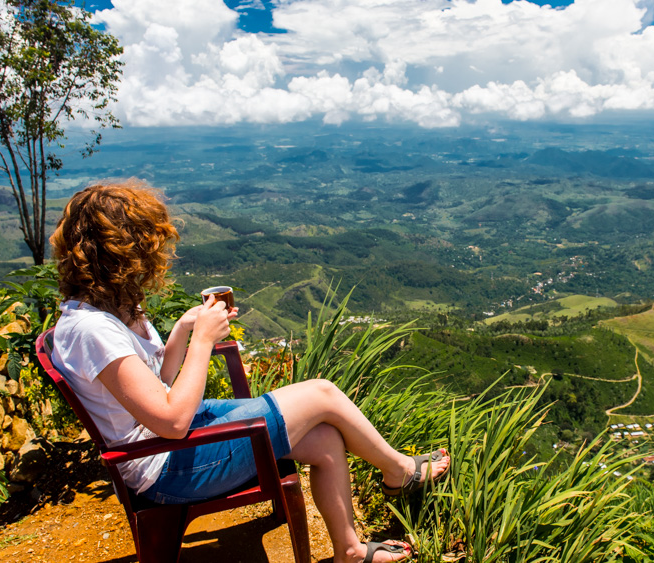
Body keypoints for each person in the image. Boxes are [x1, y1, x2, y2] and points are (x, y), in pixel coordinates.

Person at [48, 180, 449, 563]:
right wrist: (203, 341)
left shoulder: (110, 307)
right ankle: (397, 471)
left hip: (173, 442)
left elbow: (160, 384)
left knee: (325, 437)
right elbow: (170, 420)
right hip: (164, 467)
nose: (157, 254)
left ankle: (350, 550)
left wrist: (184, 330)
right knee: (322, 393)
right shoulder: (91, 331)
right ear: (123, 251)